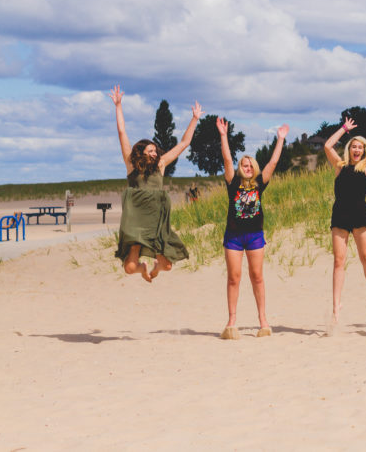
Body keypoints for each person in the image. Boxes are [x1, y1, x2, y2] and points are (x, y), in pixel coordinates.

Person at [110, 85, 201, 281]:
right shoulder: (131, 165)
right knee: (129, 267)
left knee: (167, 266)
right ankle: (143, 268)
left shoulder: (161, 164)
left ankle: (155, 268)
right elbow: (121, 132)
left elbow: (184, 143)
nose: (154, 153)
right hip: (135, 220)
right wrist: (118, 106)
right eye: (150, 150)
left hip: (156, 219)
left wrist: (194, 119)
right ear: (141, 152)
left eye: (155, 150)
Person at [218, 118, 289, 339]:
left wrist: (280, 140)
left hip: (255, 236)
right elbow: (227, 159)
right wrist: (223, 135)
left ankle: (263, 321)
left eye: (250, 166)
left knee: (257, 276)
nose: (247, 168)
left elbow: (273, 164)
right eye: (244, 166)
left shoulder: (260, 183)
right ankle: (231, 321)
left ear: (254, 169)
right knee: (234, 277)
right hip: (234, 237)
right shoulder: (232, 184)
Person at [324, 117, 366, 322]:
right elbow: (327, 145)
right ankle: (336, 306)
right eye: (353, 146)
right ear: (349, 149)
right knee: (338, 261)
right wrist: (344, 128)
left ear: (364, 150)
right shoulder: (339, 165)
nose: (356, 150)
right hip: (340, 215)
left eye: (360, 147)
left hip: (359, 215)